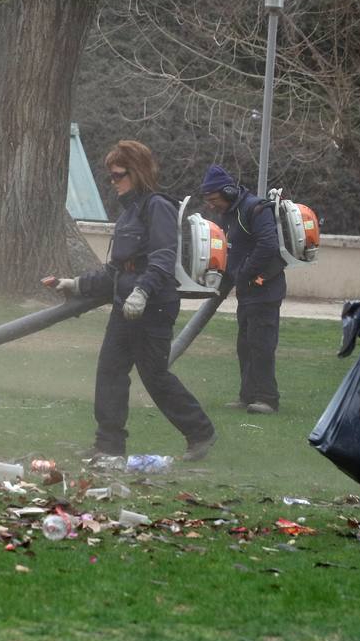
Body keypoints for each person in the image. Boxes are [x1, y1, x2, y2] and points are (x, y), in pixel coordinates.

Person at [46, 140, 216, 462]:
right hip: (126, 304)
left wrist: (143, 291)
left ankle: (200, 432)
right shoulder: (127, 216)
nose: (114, 183)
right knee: (110, 371)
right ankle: (108, 445)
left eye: (119, 175)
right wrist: (76, 284)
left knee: (155, 376)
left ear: (137, 173)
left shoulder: (158, 207)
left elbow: (163, 258)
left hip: (154, 305)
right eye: (110, 176)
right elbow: (116, 269)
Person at [198, 165, 286, 415]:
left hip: (265, 288)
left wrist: (245, 273)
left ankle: (268, 399)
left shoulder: (256, 209)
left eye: (214, 200)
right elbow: (231, 248)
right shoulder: (229, 213)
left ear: (227, 191)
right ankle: (247, 397)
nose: (212, 206)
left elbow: (267, 245)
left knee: (261, 344)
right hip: (248, 291)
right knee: (245, 345)